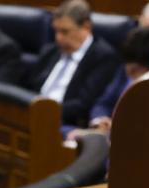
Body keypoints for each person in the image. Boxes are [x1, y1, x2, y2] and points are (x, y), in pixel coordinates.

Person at [27, 0, 121, 129]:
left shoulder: (103, 57)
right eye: (56, 31)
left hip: (66, 123)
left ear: (86, 27)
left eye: (65, 32)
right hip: (33, 114)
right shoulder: (50, 51)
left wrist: (45, 111)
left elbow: (84, 104)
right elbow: (31, 86)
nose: (58, 38)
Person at [79, 27, 149, 136]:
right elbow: (103, 103)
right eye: (127, 66)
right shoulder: (122, 72)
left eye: (135, 70)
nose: (129, 73)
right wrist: (101, 119)